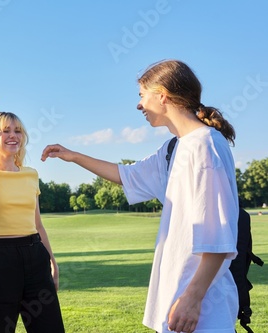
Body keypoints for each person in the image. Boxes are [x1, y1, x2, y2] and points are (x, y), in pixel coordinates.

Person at [42, 60, 239, 333]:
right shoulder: (174, 148)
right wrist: (73, 156)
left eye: (142, 95)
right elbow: (127, 175)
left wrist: (192, 299)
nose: (139, 105)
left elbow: (217, 233)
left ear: (163, 96)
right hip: (178, 303)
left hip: (202, 308)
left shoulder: (206, 146)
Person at [0, 110, 65, 333]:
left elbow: (38, 224)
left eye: (17, 131)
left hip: (36, 257)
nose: (12, 135)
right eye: (5, 131)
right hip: (2, 261)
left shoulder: (31, 174)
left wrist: (53, 262)